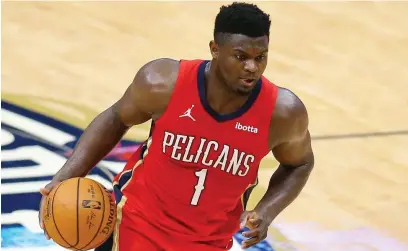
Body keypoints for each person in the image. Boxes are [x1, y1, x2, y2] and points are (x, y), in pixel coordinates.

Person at [39, 2, 315, 251]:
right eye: (241, 57)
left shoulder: (283, 113)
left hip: (209, 242)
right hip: (135, 227)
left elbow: (299, 164)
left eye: (261, 57)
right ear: (215, 49)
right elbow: (116, 118)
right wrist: (64, 177)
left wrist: (266, 211)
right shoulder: (163, 84)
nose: (252, 67)